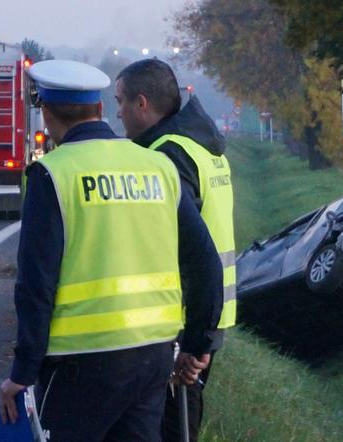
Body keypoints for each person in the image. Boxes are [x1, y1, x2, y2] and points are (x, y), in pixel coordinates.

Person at [0, 60, 224, 442]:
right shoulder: (158, 166)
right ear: (100, 110)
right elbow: (205, 262)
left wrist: (21, 373)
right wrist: (198, 342)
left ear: (45, 112)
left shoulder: (51, 173)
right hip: (152, 357)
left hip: (79, 363)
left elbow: (36, 285)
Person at [116, 58, 236, 442]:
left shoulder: (166, 155)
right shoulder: (202, 144)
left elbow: (181, 245)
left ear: (142, 103)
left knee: (173, 420)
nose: (117, 112)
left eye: (120, 101)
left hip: (184, 313)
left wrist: (192, 338)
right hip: (210, 308)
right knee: (182, 411)